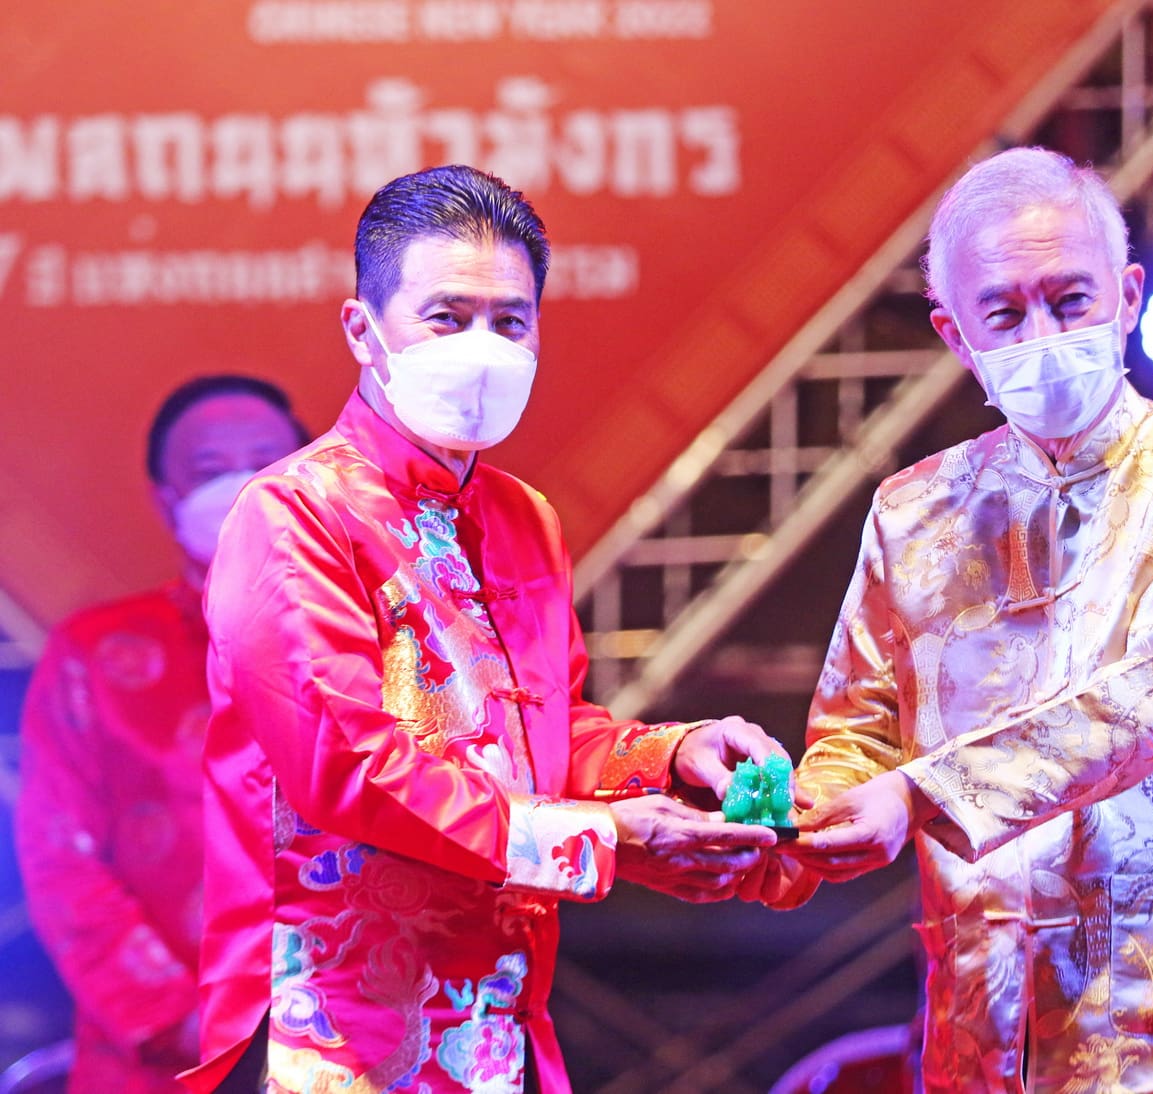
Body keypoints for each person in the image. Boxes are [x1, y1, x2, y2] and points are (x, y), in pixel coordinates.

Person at [767, 147, 1153, 1092]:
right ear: (955, 336)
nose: (1044, 334)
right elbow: (857, 731)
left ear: (1128, 296)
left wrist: (919, 795)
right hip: (996, 1032)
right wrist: (800, 817)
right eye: (1004, 315)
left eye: (1070, 301)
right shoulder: (911, 510)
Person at [186, 164, 784, 1094]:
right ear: (362, 330)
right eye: (447, 316)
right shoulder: (293, 514)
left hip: (499, 1018)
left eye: (510, 322)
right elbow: (350, 770)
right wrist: (601, 838)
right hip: (337, 1029)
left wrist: (672, 758)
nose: (482, 347)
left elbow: (544, 738)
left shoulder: (521, 517)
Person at [16, 375, 307, 1094]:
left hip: (370, 1038)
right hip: (168, 1058)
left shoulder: (388, 639)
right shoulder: (96, 656)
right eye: (211, 470)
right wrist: (179, 1015)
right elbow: (60, 859)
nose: (243, 486)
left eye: (266, 463)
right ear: (165, 498)